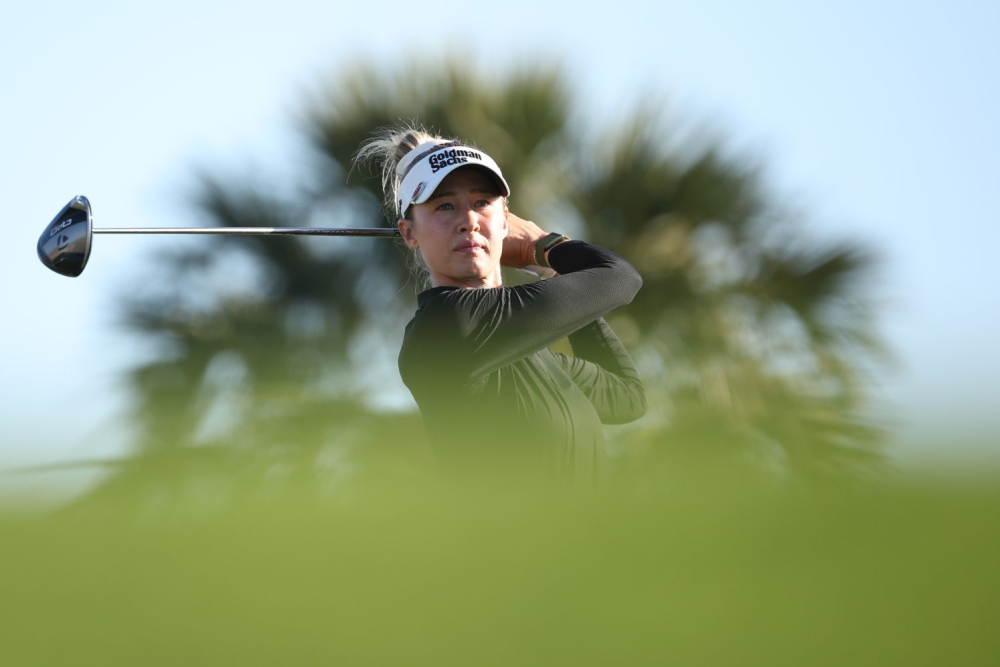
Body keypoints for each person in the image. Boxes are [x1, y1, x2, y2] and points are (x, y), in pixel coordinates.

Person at [356, 124, 646, 478]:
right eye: (445, 206)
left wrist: (554, 275)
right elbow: (620, 278)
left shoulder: (530, 354)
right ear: (409, 233)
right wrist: (541, 243)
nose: (468, 221)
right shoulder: (447, 324)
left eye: (481, 203)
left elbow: (627, 398)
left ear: (506, 220)